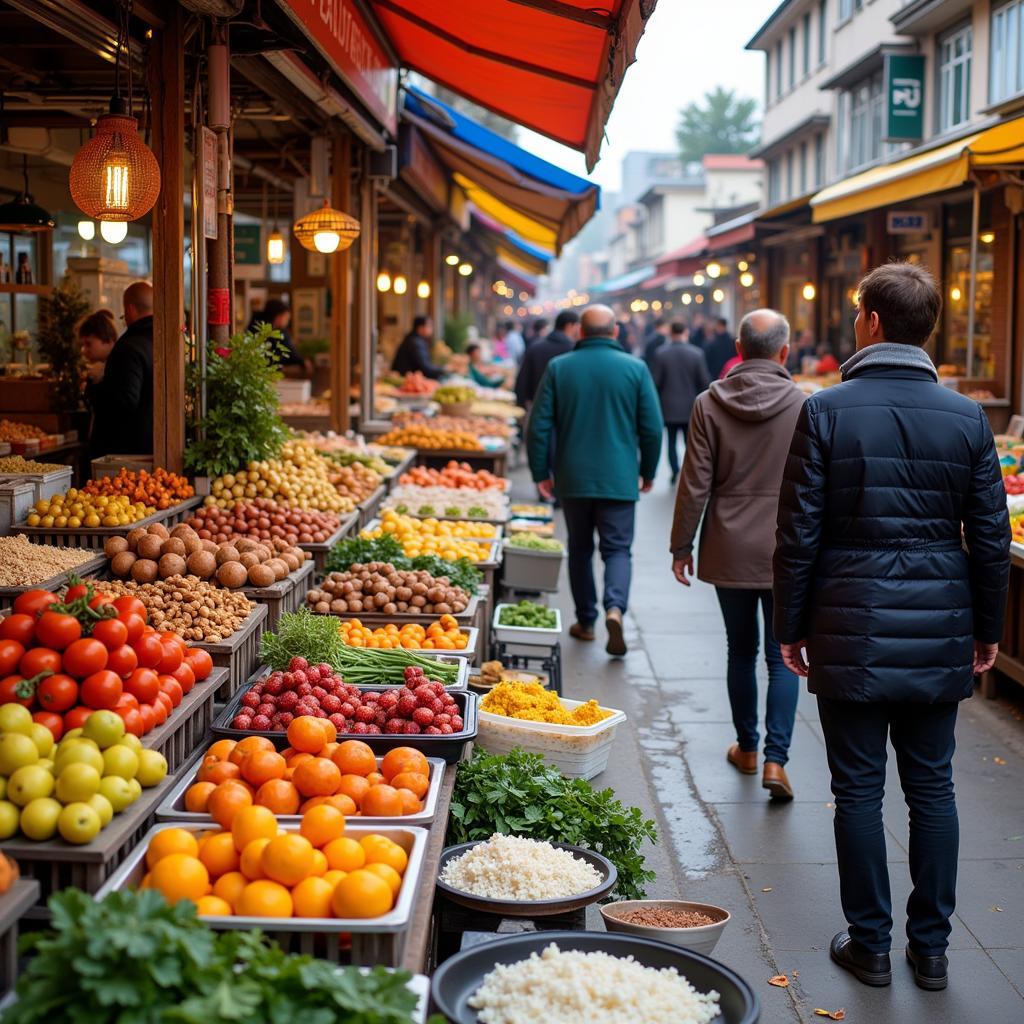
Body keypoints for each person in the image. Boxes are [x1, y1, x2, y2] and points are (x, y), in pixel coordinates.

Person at [773, 263, 1010, 992]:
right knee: (934, 787)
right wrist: (986, 626)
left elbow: (799, 531)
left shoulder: (827, 409)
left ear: (872, 321)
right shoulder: (968, 416)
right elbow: (992, 536)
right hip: (940, 617)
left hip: (848, 617)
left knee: (858, 790)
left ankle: (870, 943)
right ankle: (933, 949)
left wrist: (791, 624)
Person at [671, 309, 805, 798]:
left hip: (727, 543)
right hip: (785, 547)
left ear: (739, 348)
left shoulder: (710, 403)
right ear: (784, 352)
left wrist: (681, 546)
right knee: (782, 656)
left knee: (740, 650)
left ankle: (747, 747)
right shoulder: (803, 403)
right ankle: (776, 762)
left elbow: (694, 483)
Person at [527, 304, 663, 656]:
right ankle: (614, 607)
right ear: (616, 332)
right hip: (619, 478)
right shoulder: (635, 368)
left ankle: (586, 620)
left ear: (580, 332)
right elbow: (651, 428)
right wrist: (648, 471)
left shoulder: (560, 368)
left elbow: (538, 425)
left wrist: (541, 472)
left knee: (581, 548)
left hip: (572, 477)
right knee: (617, 549)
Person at [89, 281, 154, 459]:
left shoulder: (129, 346)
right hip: (153, 444)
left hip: (126, 451)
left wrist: (93, 390)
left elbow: (124, 400)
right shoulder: (163, 340)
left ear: (131, 309)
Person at [650, 322, 709, 484]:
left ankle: (675, 470)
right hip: (691, 406)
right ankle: (689, 471)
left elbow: (656, 381)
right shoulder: (696, 353)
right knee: (690, 442)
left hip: (668, 406)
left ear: (670, 333)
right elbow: (704, 382)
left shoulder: (661, 353)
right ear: (685, 332)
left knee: (671, 441)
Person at [514, 310, 581, 409]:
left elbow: (522, 380)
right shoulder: (573, 351)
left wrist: (521, 406)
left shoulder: (535, 347)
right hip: (563, 408)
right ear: (570, 326)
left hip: (536, 405)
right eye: (577, 326)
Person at [246, 298, 307, 374]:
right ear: (278, 316)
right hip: (259, 372)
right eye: (286, 318)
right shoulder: (271, 332)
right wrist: (302, 362)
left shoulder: (256, 324)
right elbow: (291, 353)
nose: (287, 322)